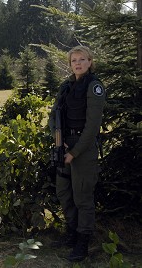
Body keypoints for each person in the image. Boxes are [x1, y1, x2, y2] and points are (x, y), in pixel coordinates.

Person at [48, 45, 106, 262]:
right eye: (74, 61)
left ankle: (83, 242)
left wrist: (74, 152)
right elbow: (54, 115)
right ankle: (71, 233)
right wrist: (58, 141)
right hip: (63, 144)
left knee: (82, 196)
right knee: (64, 191)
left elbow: (93, 126)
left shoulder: (94, 87)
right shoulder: (66, 86)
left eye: (82, 59)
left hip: (84, 148)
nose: (78, 64)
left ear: (90, 62)